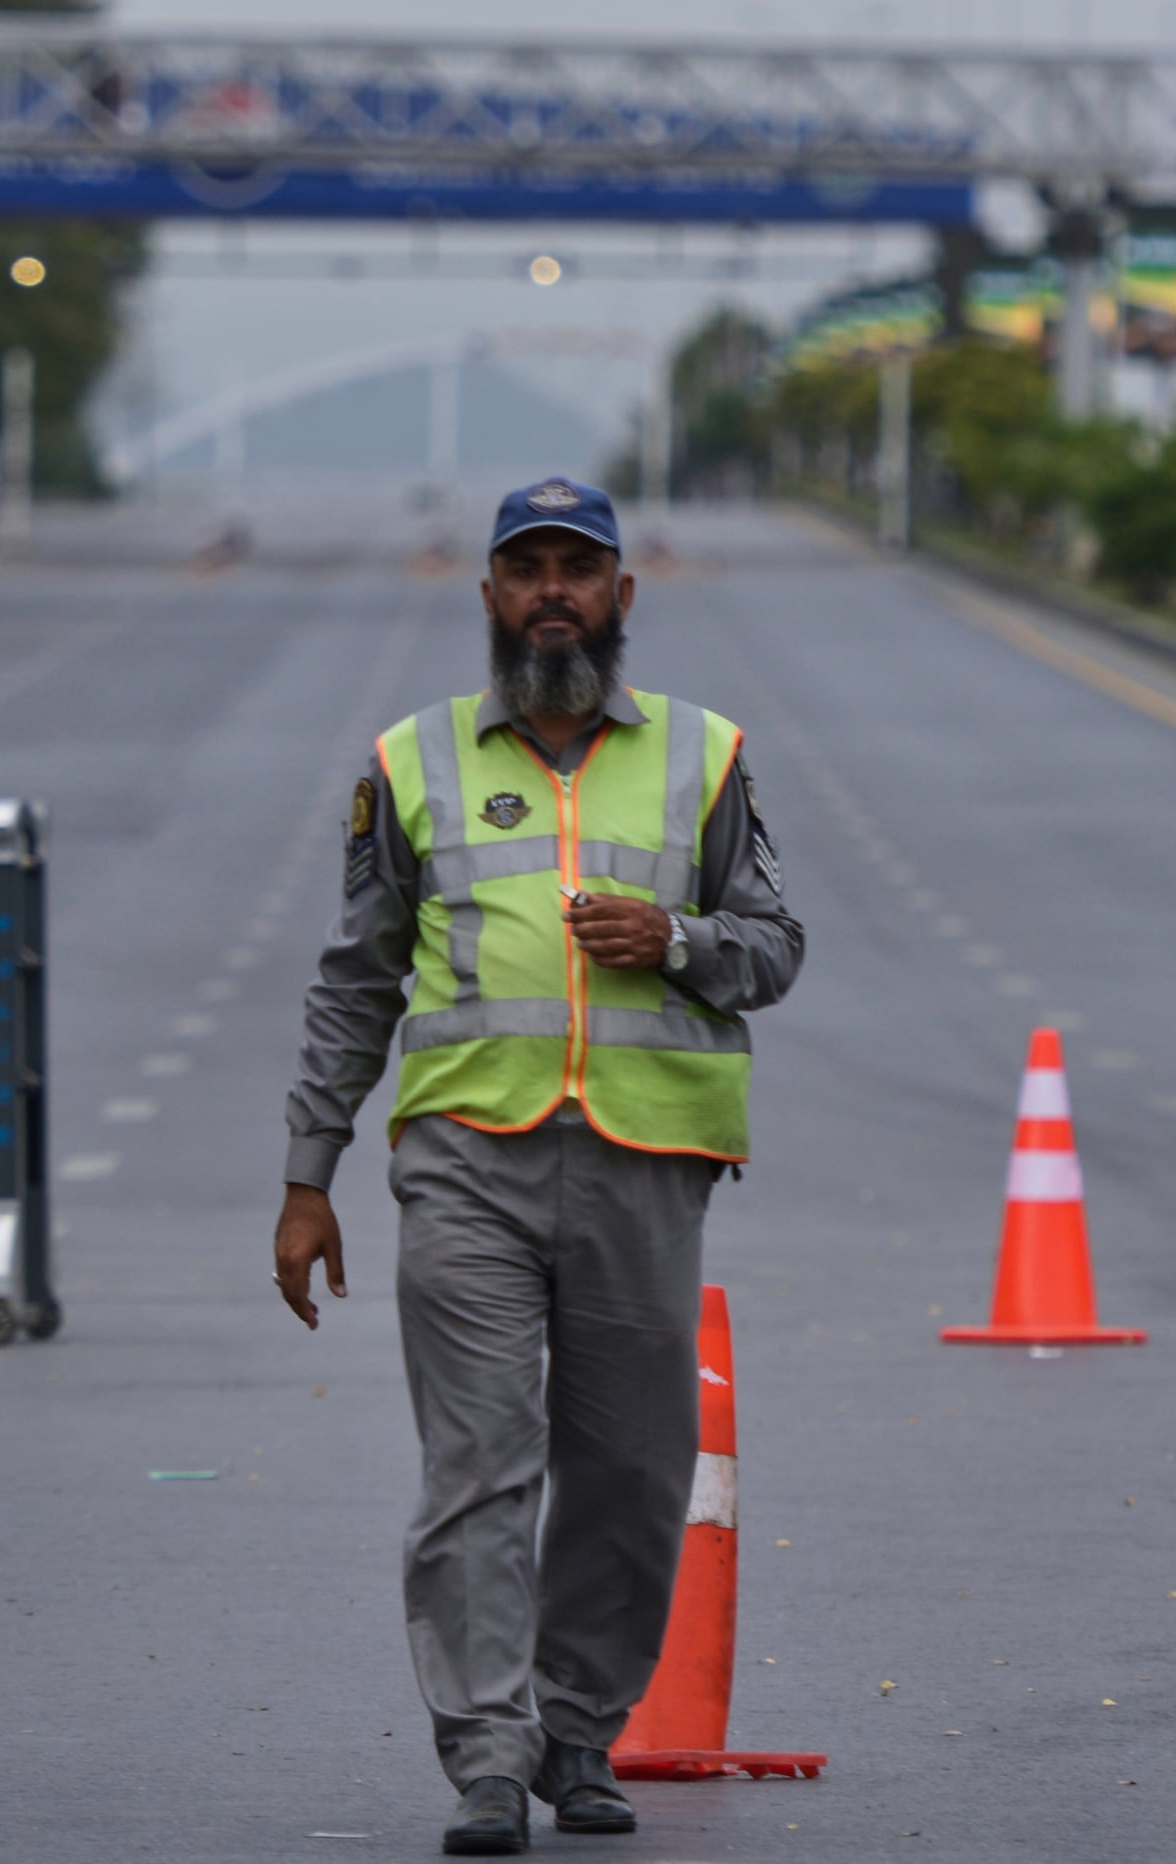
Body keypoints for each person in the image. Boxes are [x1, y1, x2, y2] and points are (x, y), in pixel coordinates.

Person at [274, 478, 805, 1858]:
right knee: (479, 1465)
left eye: (581, 566)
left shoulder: (705, 754)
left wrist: (678, 942)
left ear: (624, 595)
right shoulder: (414, 760)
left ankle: (582, 1732)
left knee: (631, 1470)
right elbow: (355, 981)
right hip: (467, 1163)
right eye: (530, 569)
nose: (554, 589)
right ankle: (489, 1757)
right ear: (493, 596)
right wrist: (306, 1171)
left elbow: (776, 947)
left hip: (647, 1164)